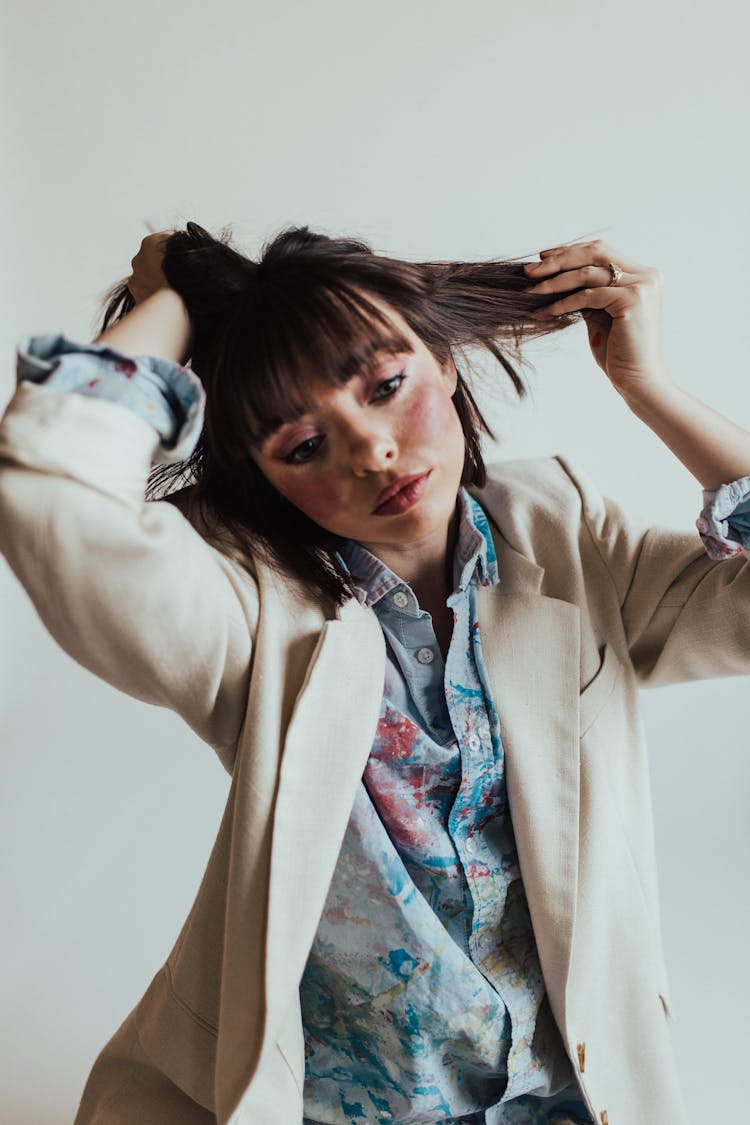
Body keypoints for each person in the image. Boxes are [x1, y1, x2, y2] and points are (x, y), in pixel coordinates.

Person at [1, 223, 749, 1125]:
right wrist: (180, 304)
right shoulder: (245, 611)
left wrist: (649, 388)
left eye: (387, 387)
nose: (373, 452)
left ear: (443, 360)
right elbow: (48, 487)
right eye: (303, 445)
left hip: (570, 1093)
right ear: (265, 478)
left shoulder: (566, 531)